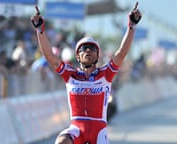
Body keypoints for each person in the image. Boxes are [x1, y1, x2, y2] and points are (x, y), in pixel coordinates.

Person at [31, 2, 141, 144]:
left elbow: (121, 53)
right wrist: (40, 29)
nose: (88, 50)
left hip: (98, 131)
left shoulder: (106, 74)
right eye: (83, 49)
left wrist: (131, 26)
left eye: (91, 48)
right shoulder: (71, 75)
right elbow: (50, 56)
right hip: (76, 129)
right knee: (61, 141)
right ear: (78, 56)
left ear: (97, 55)